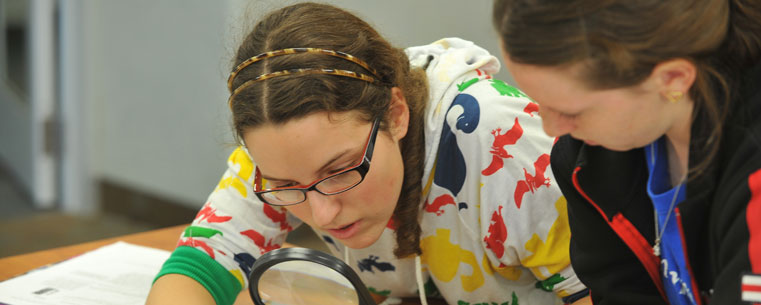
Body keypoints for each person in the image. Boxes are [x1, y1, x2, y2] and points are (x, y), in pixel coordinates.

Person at [146, 2, 592, 305]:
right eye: (287, 187)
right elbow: (203, 262)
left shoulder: (501, 141)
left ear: (396, 113)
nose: (322, 214)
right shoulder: (282, 153)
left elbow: (600, 290)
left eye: (339, 171)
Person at [492, 0, 761, 304]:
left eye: (571, 110)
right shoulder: (587, 161)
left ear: (673, 79)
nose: (551, 128)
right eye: (539, 100)